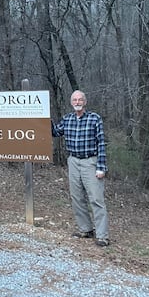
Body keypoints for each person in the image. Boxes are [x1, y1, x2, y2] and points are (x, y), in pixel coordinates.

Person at [52, 90, 110, 247]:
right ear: (71, 102)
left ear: (85, 102)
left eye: (80, 100)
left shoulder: (94, 118)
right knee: (76, 197)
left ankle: (102, 235)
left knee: (96, 199)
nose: (77, 102)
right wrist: (44, 118)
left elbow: (101, 143)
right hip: (73, 161)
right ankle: (85, 229)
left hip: (90, 161)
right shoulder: (68, 119)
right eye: (74, 100)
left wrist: (101, 167)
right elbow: (55, 132)